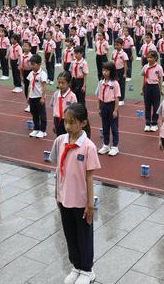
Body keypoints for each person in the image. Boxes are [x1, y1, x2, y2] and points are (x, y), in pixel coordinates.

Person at [49, 103, 100, 284]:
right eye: (66, 122)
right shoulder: (60, 141)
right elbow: (58, 169)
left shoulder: (88, 147)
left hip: (80, 201)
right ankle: (76, 266)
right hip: (64, 198)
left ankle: (87, 270)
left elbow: (89, 178)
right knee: (70, 235)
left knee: (83, 237)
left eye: (72, 123)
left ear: (83, 123)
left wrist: (90, 204)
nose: (68, 126)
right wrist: (57, 195)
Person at [96, 62, 121, 156]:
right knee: (105, 126)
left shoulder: (115, 83)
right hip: (103, 106)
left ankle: (115, 147)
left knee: (114, 127)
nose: (104, 72)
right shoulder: (101, 82)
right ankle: (106, 145)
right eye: (103, 70)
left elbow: (117, 97)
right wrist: (98, 107)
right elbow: (98, 96)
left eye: (107, 70)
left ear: (112, 71)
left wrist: (115, 110)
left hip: (111, 106)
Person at [140, 50, 164, 132]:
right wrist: (142, 89)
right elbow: (144, 78)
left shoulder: (159, 68)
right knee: (147, 106)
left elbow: (160, 79)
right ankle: (147, 123)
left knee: (156, 106)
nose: (149, 59)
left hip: (155, 88)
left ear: (155, 58)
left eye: (151, 57)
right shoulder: (145, 67)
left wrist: (161, 89)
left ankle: (154, 123)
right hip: (147, 87)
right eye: (148, 57)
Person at [27, 54, 48, 138]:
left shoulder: (42, 74)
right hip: (32, 97)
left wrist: (43, 97)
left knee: (42, 114)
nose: (31, 66)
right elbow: (29, 85)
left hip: (39, 97)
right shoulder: (31, 73)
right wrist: (28, 96)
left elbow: (44, 86)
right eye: (31, 64)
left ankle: (42, 130)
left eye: (33, 64)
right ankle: (36, 128)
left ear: (39, 64)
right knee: (34, 113)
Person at [51, 71, 78, 136]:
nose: (60, 85)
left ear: (69, 83)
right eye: (59, 83)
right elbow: (54, 109)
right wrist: (54, 123)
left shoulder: (72, 96)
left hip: (67, 121)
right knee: (59, 139)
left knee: (68, 139)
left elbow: (75, 112)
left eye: (63, 83)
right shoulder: (56, 94)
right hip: (57, 120)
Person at [112, 38, 128, 106]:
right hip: (115, 70)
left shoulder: (124, 54)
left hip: (121, 70)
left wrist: (125, 73)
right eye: (115, 45)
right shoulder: (114, 52)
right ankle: (115, 96)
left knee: (121, 85)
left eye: (118, 45)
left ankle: (121, 99)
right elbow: (113, 60)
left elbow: (125, 64)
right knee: (115, 84)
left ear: (122, 45)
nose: (116, 46)